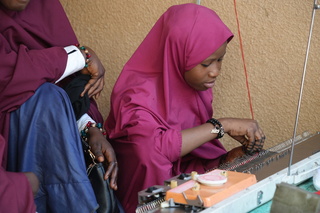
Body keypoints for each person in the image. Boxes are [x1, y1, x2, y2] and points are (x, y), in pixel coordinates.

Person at [105, 3, 266, 212]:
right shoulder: (134, 97)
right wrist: (221, 126)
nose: (215, 71)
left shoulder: (192, 89)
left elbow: (186, 160)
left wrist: (228, 160)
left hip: (179, 195)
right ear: (177, 55)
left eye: (220, 60)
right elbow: (154, 152)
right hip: (145, 203)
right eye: (206, 64)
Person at [0, 0, 120, 212]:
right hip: (10, 147)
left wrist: (88, 127)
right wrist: (76, 56)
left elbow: (68, 85)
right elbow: (8, 76)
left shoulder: (42, 7)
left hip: (51, 142)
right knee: (46, 97)